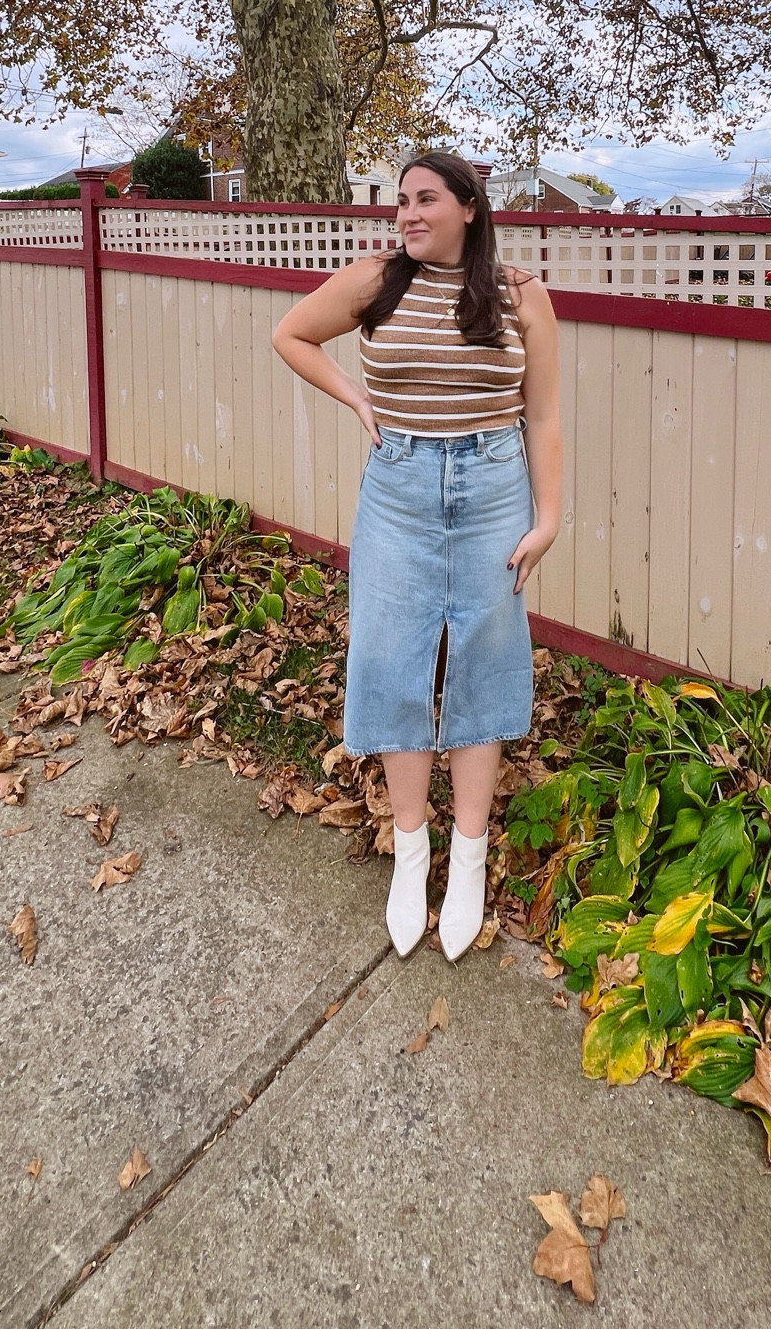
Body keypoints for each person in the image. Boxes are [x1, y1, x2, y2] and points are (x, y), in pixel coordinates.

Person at [272, 151, 562, 959]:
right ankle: (413, 844)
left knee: (483, 654)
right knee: (391, 656)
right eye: (401, 201)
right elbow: (291, 334)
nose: (407, 214)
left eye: (424, 199)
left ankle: (468, 853)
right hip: (398, 490)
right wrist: (357, 397)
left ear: (469, 206)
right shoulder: (376, 281)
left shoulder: (522, 296)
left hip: (494, 488)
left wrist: (548, 517)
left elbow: (543, 419)